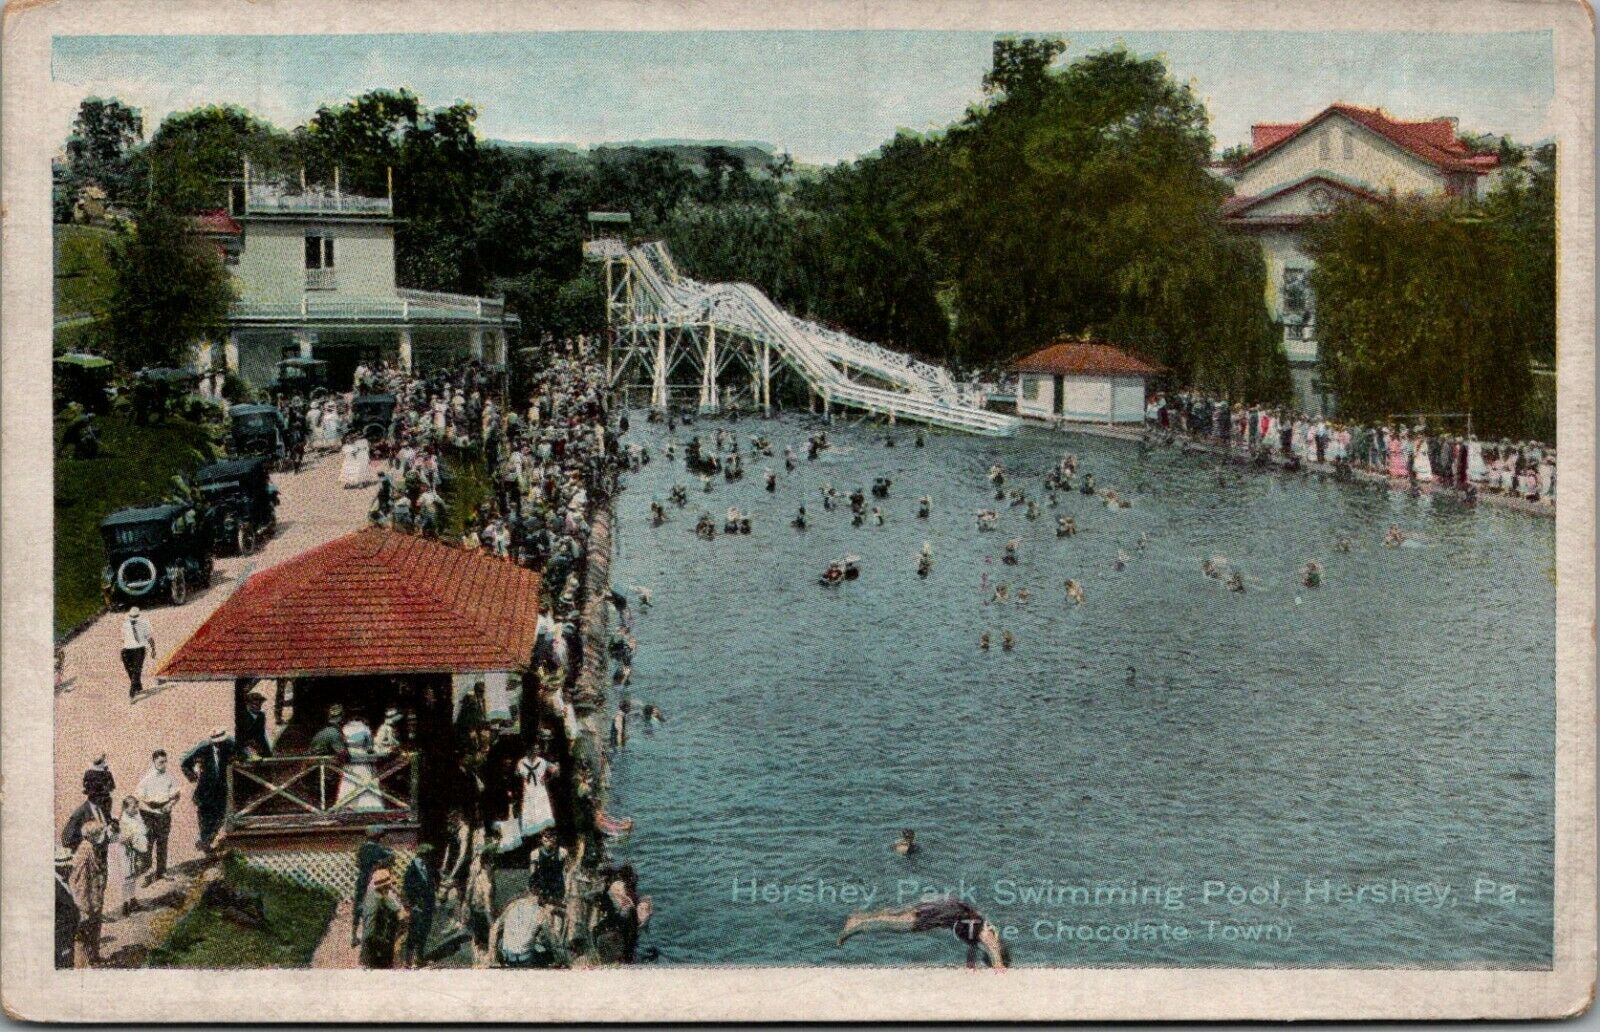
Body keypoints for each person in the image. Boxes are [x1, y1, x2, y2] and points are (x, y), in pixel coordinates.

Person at [837, 897, 1008, 969]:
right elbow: (993, 949)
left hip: (942, 905)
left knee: (896, 915)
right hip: (939, 913)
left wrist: (972, 965)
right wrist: (999, 968)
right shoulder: (988, 934)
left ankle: (859, 917)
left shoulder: (981, 932)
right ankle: (858, 923)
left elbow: (978, 947)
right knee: (897, 924)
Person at [181, 729, 238, 851]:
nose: (219, 744)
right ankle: (205, 841)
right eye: (216, 742)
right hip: (206, 790)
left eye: (221, 742)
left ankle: (209, 839)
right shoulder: (203, 748)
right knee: (205, 816)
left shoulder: (231, 743)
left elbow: (245, 753)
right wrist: (192, 776)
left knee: (221, 815)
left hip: (223, 789)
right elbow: (185, 762)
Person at [490, 883, 565, 968]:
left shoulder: (512, 905)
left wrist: (494, 958)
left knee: (503, 942)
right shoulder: (541, 912)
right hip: (526, 958)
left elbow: (493, 930)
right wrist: (562, 960)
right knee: (545, 950)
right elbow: (553, 940)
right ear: (542, 895)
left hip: (508, 957)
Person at [67, 818, 108, 966]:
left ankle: (94, 957)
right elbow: (80, 881)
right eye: (100, 833)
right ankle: (86, 963)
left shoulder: (91, 846)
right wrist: (84, 904)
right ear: (93, 835)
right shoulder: (86, 850)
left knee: (94, 928)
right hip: (88, 899)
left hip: (95, 896)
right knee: (85, 932)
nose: (103, 836)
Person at [135, 750, 179, 883]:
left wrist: (170, 804)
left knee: (162, 843)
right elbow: (139, 797)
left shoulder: (169, 777)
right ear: (154, 761)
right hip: (149, 815)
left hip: (163, 815)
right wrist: (151, 805)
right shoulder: (147, 778)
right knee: (147, 845)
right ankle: (146, 874)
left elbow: (176, 795)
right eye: (161, 762)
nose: (164, 764)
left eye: (165, 761)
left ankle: (161, 871)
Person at [351, 828, 394, 947]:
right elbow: (390, 857)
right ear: (376, 837)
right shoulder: (378, 849)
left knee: (358, 905)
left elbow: (357, 863)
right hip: (373, 880)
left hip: (362, 880)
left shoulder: (362, 848)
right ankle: (371, 935)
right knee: (376, 905)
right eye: (380, 837)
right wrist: (381, 863)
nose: (381, 839)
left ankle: (354, 936)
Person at [358, 867, 407, 969]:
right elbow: (370, 931)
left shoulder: (374, 893)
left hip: (374, 945)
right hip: (377, 947)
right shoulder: (379, 898)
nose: (391, 887)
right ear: (384, 886)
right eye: (389, 885)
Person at [402, 844, 438, 968]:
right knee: (413, 932)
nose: (429, 858)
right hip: (417, 906)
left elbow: (431, 885)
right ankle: (408, 960)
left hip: (427, 905)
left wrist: (432, 902)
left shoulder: (428, 867)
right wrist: (413, 904)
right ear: (423, 855)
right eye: (428, 856)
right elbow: (407, 889)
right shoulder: (411, 870)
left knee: (424, 932)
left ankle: (419, 958)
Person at [516, 745, 559, 840]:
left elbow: (556, 771)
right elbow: (516, 774)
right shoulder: (521, 762)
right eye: (532, 750)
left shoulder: (542, 761)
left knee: (542, 811)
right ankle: (532, 836)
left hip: (540, 789)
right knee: (529, 811)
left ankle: (543, 834)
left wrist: (547, 778)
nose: (535, 752)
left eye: (536, 750)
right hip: (528, 790)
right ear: (528, 751)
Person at [121, 607, 155, 699]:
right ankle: (138, 686)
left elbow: (149, 638)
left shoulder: (144, 624)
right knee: (130, 671)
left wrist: (153, 649)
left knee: (136, 670)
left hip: (139, 649)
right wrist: (123, 651)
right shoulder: (125, 625)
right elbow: (123, 639)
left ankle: (132, 692)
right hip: (126, 650)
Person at [55, 847, 79, 969]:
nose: (71, 869)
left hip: (68, 934)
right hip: (61, 937)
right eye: (69, 867)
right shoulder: (55, 886)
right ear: (61, 867)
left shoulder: (63, 881)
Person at [239, 690, 272, 759]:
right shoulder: (242, 716)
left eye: (260, 704)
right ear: (248, 704)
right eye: (255, 704)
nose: (258, 706)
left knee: (267, 756)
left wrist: (262, 747)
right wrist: (249, 743)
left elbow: (261, 733)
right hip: (244, 744)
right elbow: (240, 735)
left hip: (258, 742)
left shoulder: (261, 715)